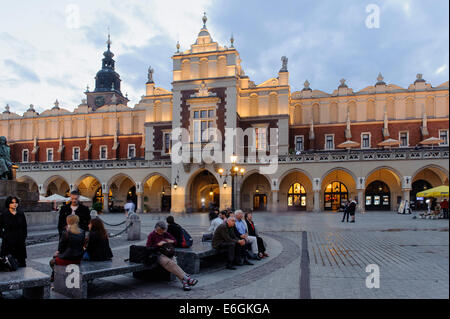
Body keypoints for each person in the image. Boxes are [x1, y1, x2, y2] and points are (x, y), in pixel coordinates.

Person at [146, 221, 198, 291]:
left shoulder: (165, 233)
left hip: (167, 253)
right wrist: (158, 245)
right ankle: (187, 279)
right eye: (160, 231)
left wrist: (168, 240)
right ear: (156, 229)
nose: (161, 233)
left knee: (173, 262)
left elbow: (174, 241)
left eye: (163, 231)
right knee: (170, 262)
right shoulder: (151, 235)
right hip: (157, 254)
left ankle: (185, 281)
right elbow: (148, 248)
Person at [49, 215, 85, 282]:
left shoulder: (65, 233)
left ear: (68, 222)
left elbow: (60, 249)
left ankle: (55, 277)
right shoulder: (82, 232)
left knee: (52, 261)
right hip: (78, 258)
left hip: (68, 259)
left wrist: (57, 253)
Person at [0, 196, 27, 267]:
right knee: (8, 260)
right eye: (12, 202)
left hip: (19, 238)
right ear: (8, 204)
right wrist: (3, 236)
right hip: (8, 239)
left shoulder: (21, 213)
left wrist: (24, 236)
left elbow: (24, 226)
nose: (15, 204)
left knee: (21, 261)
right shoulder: (4, 214)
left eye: (16, 202)